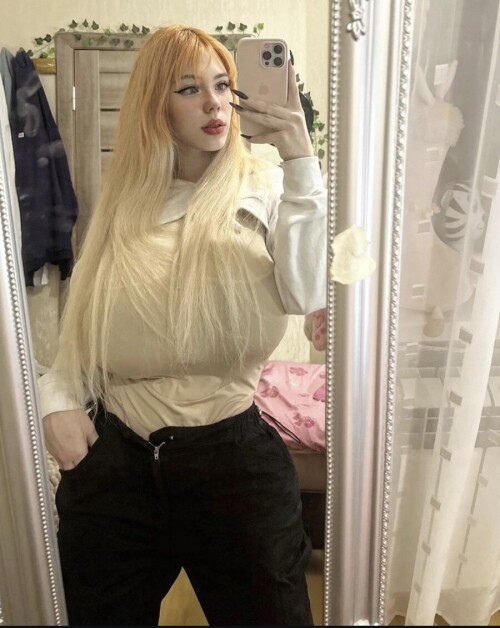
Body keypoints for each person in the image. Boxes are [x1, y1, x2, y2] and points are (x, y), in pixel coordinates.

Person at [38, 23, 326, 626]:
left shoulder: (267, 187)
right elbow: (83, 325)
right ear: (155, 105)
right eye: (190, 89)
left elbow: (306, 292)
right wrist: (55, 401)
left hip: (232, 462)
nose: (214, 103)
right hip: (116, 460)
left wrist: (300, 158)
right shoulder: (124, 201)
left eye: (222, 85)